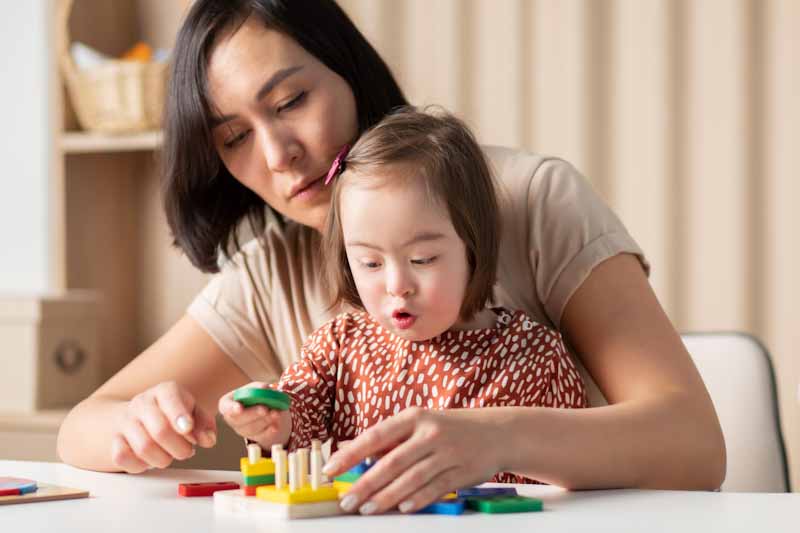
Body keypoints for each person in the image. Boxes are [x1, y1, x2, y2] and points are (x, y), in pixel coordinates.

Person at [57, 0, 725, 516]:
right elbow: (80, 428)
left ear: (349, 70)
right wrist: (137, 422)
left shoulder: (529, 199)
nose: (276, 153)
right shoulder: (272, 268)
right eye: (233, 138)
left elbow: (694, 444)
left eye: (291, 101)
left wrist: (498, 439)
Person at [218, 108, 589, 513]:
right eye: (371, 263)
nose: (397, 285)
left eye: (423, 259)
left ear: (473, 245)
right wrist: (270, 421)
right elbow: (298, 410)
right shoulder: (339, 347)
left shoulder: (533, 355)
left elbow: (579, 469)